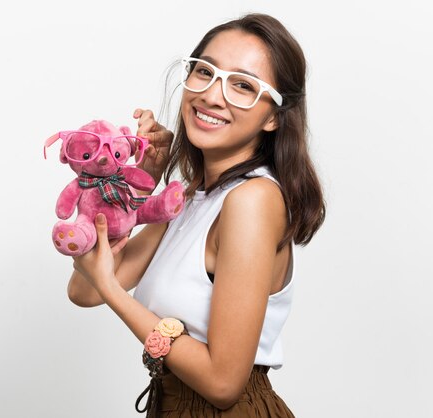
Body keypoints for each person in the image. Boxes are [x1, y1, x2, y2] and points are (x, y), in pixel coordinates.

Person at [66, 12, 325, 417]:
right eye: (204, 72)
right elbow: (85, 290)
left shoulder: (253, 200)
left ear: (274, 116)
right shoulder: (190, 197)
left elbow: (223, 384)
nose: (212, 95)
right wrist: (139, 187)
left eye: (243, 86)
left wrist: (117, 296)